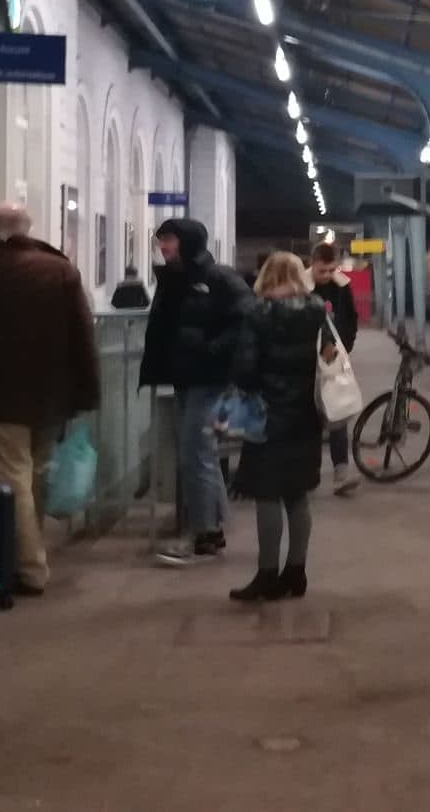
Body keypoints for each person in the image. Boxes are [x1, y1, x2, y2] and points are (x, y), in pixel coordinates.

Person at [0, 204, 101, 596]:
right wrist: (88, 388)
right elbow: (82, 332)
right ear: (28, 229)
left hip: (0, 389)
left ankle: (29, 566)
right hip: (52, 389)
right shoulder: (58, 269)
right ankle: (32, 546)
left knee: (13, 475)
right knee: (37, 471)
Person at [141, 217, 252, 567]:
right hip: (185, 377)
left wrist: (212, 348)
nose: (163, 246)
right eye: (161, 240)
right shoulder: (174, 279)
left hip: (208, 377)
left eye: (169, 239)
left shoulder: (216, 277)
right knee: (198, 452)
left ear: (188, 241)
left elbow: (247, 317)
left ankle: (201, 533)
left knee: (195, 452)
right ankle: (212, 530)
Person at [226, 252, 330, 602]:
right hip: (305, 414)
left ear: (266, 276)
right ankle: (296, 572)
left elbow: (245, 369)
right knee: (298, 495)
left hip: (267, 414)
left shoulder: (258, 313)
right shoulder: (317, 310)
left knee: (267, 493)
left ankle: (267, 574)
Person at [309, 243, 362, 495]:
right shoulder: (301, 286)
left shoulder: (342, 286)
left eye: (332, 269)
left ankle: (341, 473)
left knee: (337, 413)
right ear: (313, 262)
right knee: (309, 420)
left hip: (333, 360)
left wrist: (345, 347)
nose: (328, 275)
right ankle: (310, 475)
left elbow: (351, 318)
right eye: (323, 270)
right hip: (306, 362)